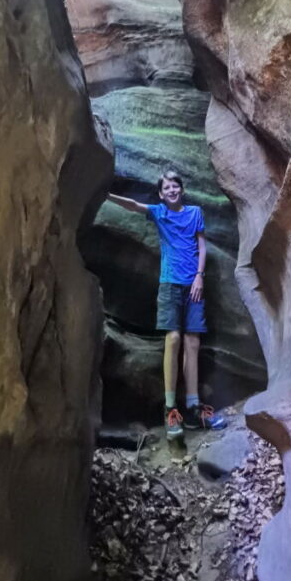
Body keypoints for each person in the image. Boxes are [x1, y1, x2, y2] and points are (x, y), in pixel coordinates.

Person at [108, 170, 227, 439]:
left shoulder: (195, 212)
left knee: (193, 342)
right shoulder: (159, 213)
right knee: (173, 339)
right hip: (170, 285)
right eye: (167, 187)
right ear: (161, 194)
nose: (172, 190)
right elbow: (134, 205)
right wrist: (105, 194)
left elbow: (202, 246)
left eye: (176, 186)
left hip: (193, 285)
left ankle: (194, 408)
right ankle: (171, 408)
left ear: (181, 190)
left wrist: (199, 277)